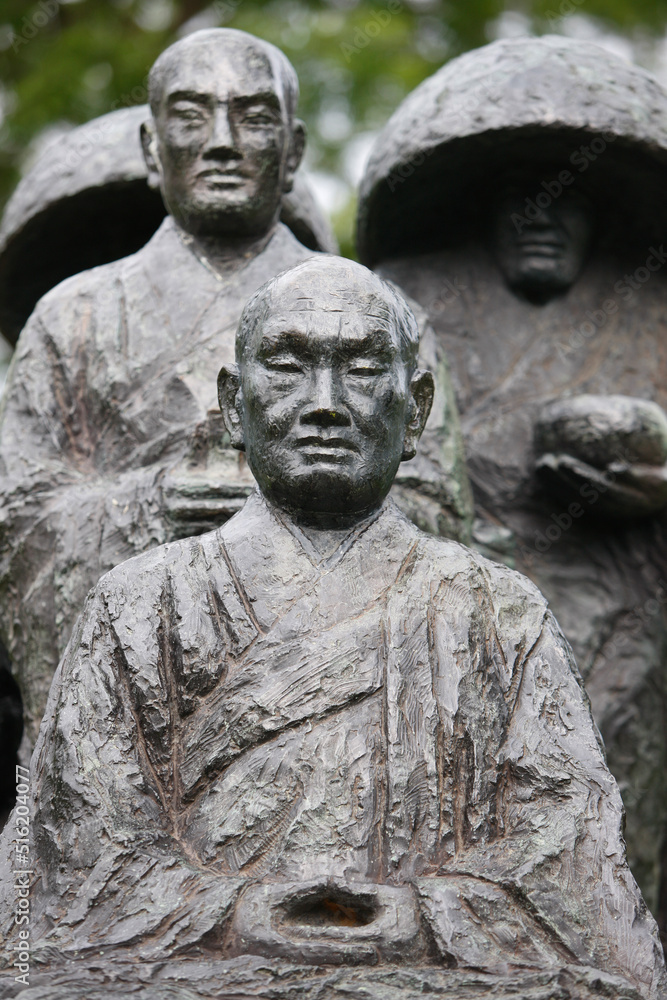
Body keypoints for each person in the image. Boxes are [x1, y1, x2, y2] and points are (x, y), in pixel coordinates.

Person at [1, 257, 662, 999]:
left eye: (361, 368)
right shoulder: (137, 603)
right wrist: (236, 908)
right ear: (231, 405)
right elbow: (70, 851)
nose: (324, 403)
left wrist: (420, 915)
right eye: (286, 366)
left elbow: (569, 847)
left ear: (415, 410)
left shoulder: (497, 611)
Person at [0, 28, 470, 757]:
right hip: (134, 694)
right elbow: (18, 520)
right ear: (151, 145)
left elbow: (446, 512)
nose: (221, 142)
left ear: (295, 149)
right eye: (190, 116)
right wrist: (146, 506)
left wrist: (313, 503)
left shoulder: (383, 314)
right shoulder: (74, 316)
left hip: (338, 701)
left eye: (253, 117)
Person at [357, 33, 667, 934]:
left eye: (564, 202)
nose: (539, 218)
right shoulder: (407, 302)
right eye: (515, 202)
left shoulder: (649, 311)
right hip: (454, 617)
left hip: (634, 613)